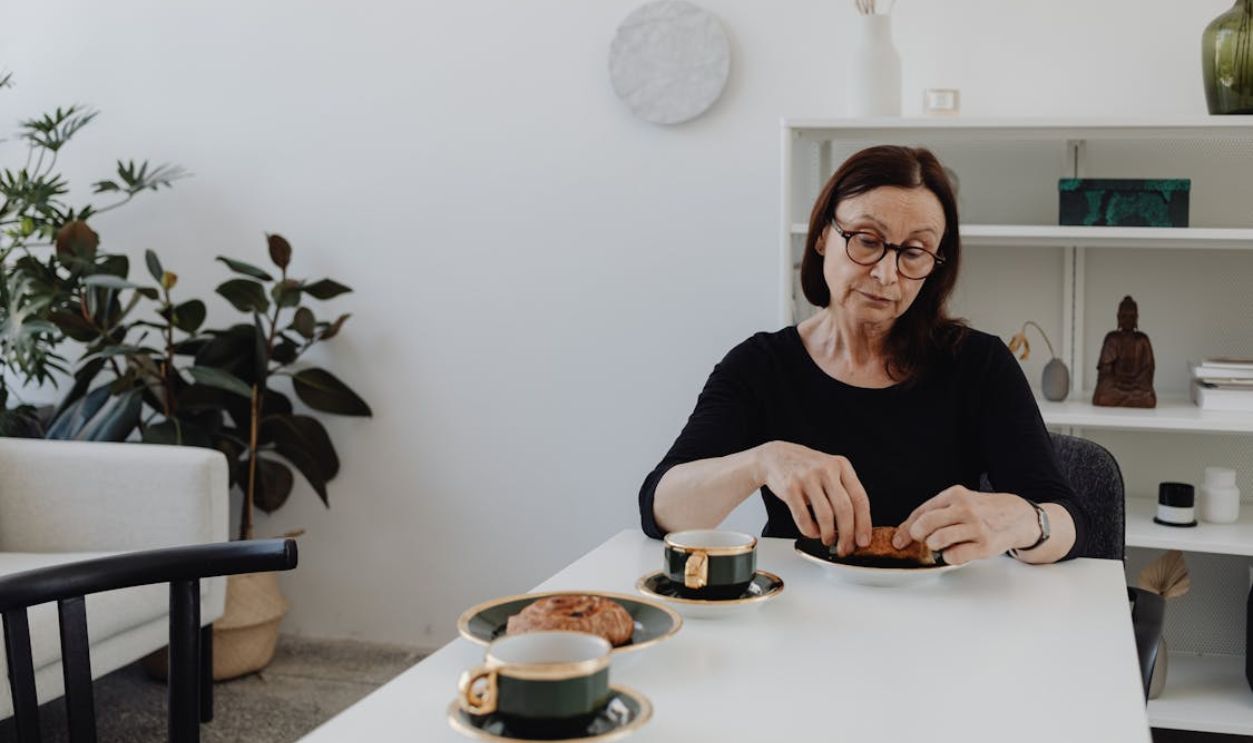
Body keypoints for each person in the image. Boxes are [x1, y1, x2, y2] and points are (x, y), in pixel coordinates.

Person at [638, 145, 1088, 565]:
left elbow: (1070, 520)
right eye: (867, 240)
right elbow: (660, 508)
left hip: (941, 612)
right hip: (798, 609)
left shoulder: (978, 364)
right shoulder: (760, 365)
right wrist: (762, 460)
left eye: (914, 252)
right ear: (821, 238)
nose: (886, 274)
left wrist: (1025, 522)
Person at [1092, 295, 1156, 408]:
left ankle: (1127, 398)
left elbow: (1148, 370)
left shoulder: (1142, 340)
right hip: (1116, 385)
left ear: (1137, 318)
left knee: (1149, 398)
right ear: (1118, 317)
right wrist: (1118, 383)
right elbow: (1105, 372)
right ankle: (1130, 399)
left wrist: (1135, 383)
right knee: (1103, 395)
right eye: (1124, 316)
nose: (1128, 320)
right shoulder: (1112, 338)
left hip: (1137, 386)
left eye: (1131, 316)